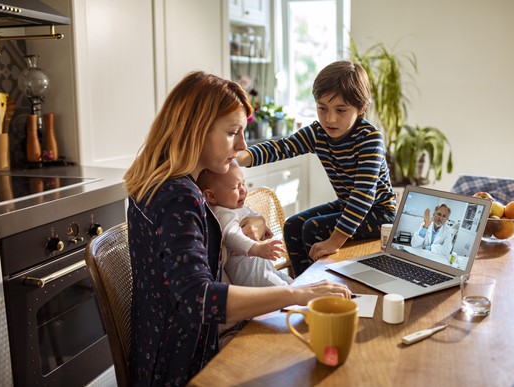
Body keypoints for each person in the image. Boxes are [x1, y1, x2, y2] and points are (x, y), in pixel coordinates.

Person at [124, 71, 351, 385]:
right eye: (233, 132)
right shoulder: (179, 198)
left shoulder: (162, 185)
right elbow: (199, 299)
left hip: (160, 352)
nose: (243, 145)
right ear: (196, 129)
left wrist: (253, 222)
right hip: (185, 366)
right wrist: (297, 293)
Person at [237, 60, 397, 277]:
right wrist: (241, 157)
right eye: (322, 108)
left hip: (380, 213)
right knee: (293, 225)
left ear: (361, 108)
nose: (330, 119)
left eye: (341, 110)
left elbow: (363, 196)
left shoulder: (369, 139)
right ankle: (303, 284)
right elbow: (282, 147)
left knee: (312, 228)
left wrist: (335, 241)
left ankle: (321, 284)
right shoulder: (317, 132)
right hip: (347, 205)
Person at [196, 161, 292, 287]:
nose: (243, 191)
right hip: (250, 276)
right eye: (236, 187)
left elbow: (251, 216)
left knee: (292, 283)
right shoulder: (222, 213)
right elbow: (232, 234)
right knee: (286, 291)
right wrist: (256, 248)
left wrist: (264, 229)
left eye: (243, 184)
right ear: (211, 196)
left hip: (264, 269)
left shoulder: (235, 207)